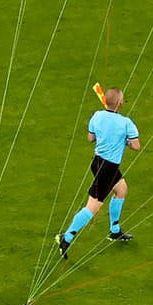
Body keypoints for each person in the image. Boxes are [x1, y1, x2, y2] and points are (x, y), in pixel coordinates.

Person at [57, 87, 140, 257]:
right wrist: (124, 141)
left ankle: (114, 230)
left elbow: (91, 138)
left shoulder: (97, 116)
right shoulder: (126, 123)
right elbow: (136, 146)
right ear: (120, 103)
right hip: (108, 168)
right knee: (93, 206)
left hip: (97, 163)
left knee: (122, 189)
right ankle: (67, 236)